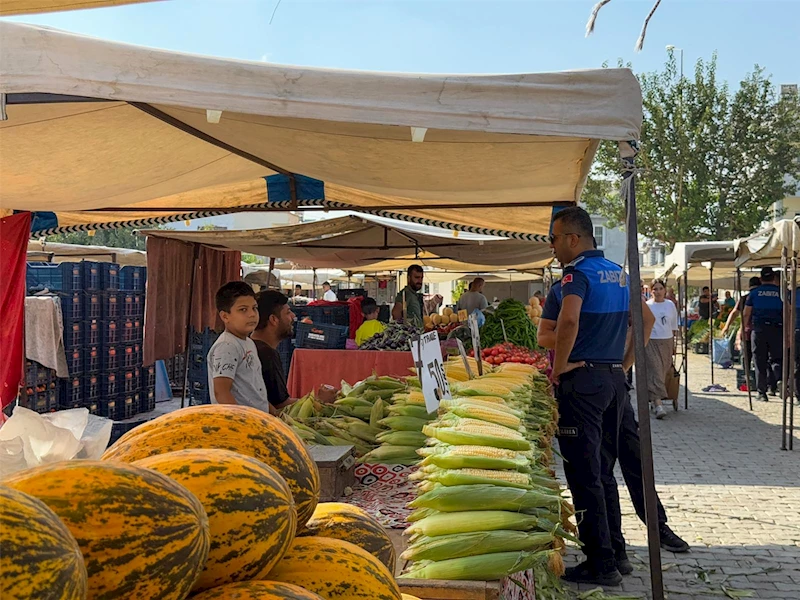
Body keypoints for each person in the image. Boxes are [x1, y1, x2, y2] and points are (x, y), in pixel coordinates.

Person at [539, 277, 688, 574]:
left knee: (609, 465)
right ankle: (616, 550)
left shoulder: (576, 284)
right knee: (609, 467)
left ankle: (648, 532)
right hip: (611, 382)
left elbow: (548, 333)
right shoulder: (608, 281)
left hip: (595, 383)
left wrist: (618, 361)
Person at [549, 206, 651, 586]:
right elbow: (646, 321)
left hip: (584, 384)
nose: (553, 246)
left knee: (584, 472)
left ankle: (601, 563)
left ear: (574, 238)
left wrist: (558, 367)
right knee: (605, 472)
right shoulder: (619, 274)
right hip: (612, 382)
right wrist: (622, 366)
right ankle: (618, 552)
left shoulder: (576, 275)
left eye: (556, 238)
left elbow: (569, 320)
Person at [251, 290, 337, 412]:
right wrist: (318, 400)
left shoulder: (251, 347)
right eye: (288, 312)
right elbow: (281, 405)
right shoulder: (266, 354)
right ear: (273, 320)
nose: (293, 316)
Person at [206, 281, 271, 413]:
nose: (252, 314)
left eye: (254, 308)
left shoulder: (248, 342)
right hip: (241, 424)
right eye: (243, 310)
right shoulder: (227, 346)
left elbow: (254, 389)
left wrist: (273, 412)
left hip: (258, 420)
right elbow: (221, 392)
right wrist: (242, 420)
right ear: (225, 316)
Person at [744, 267, 783, 402]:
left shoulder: (754, 293)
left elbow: (746, 313)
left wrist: (743, 329)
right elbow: (788, 312)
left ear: (761, 279)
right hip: (777, 329)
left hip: (759, 329)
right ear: (774, 278)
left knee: (759, 360)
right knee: (776, 358)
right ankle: (778, 380)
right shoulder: (781, 293)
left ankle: (762, 392)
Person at [646, 279, 679, 420]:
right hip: (651, 341)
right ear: (651, 291)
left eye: (660, 288)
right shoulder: (647, 305)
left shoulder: (670, 305)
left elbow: (674, 325)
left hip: (666, 340)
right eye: (655, 289)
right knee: (655, 371)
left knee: (664, 370)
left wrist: (674, 344)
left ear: (664, 290)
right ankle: (658, 404)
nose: (658, 292)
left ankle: (654, 399)